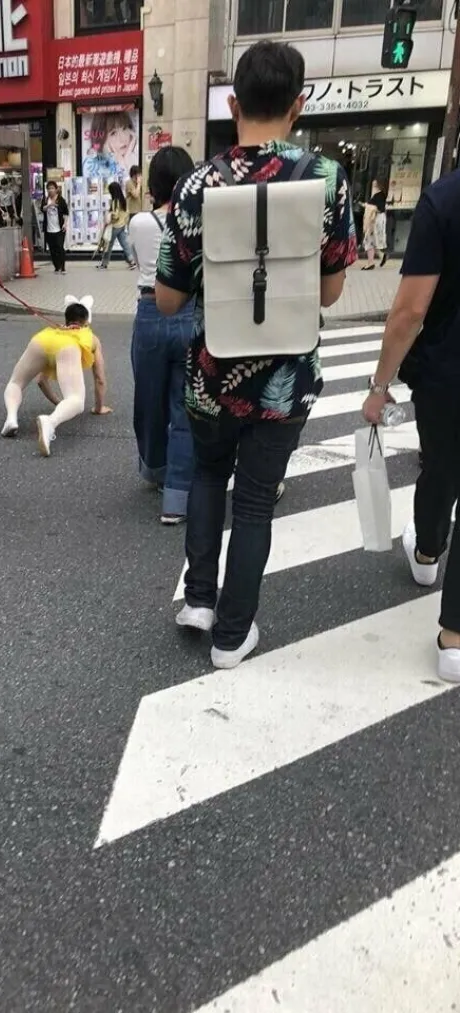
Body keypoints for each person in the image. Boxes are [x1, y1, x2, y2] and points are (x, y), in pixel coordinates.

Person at [156, 39, 356, 669]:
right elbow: (329, 290)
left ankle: (199, 600)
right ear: (299, 105)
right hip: (286, 378)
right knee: (255, 501)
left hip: (214, 376)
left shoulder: (195, 185)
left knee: (209, 477)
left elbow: (166, 300)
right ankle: (232, 635)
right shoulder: (326, 180)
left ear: (234, 103)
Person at [362, 166, 460, 682]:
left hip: (448, 371)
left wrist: (380, 386)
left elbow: (409, 311)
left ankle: (426, 553)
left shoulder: (443, 200)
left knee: (440, 465)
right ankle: (456, 639)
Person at [129, 146, 195, 526]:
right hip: (190, 312)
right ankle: (177, 497)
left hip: (152, 312)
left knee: (148, 401)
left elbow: (139, 262)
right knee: (185, 407)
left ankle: (155, 468)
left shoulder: (141, 222)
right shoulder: (198, 220)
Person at [1, 295, 112, 457]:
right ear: (87, 321)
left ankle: (11, 418)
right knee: (76, 400)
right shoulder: (91, 338)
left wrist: (58, 403)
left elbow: (41, 380)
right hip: (68, 347)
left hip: (42, 340)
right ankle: (50, 422)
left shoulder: (55, 330)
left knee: (16, 382)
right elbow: (99, 378)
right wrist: (99, 407)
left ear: (67, 319)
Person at [98, 181, 135, 270]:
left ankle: (104, 264)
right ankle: (132, 261)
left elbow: (115, 215)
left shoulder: (115, 202)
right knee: (125, 244)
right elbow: (126, 213)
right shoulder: (123, 200)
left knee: (108, 245)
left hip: (114, 226)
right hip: (122, 225)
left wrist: (109, 220)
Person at [41, 181, 69, 274]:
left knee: (60, 247)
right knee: (52, 249)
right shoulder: (45, 200)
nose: (50, 190)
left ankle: (63, 267)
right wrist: (50, 204)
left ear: (56, 189)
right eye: (49, 188)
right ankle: (57, 267)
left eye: (52, 188)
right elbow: (43, 209)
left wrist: (65, 224)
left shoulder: (61, 200)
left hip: (59, 228)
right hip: (48, 229)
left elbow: (66, 213)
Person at [362, 180, 388, 270]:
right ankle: (378, 257)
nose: (373, 186)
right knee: (372, 240)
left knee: (369, 239)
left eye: (375, 185)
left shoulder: (379, 195)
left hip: (374, 220)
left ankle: (371, 262)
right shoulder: (380, 195)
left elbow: (379, 208)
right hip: (376, 220)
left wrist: (367, 206)